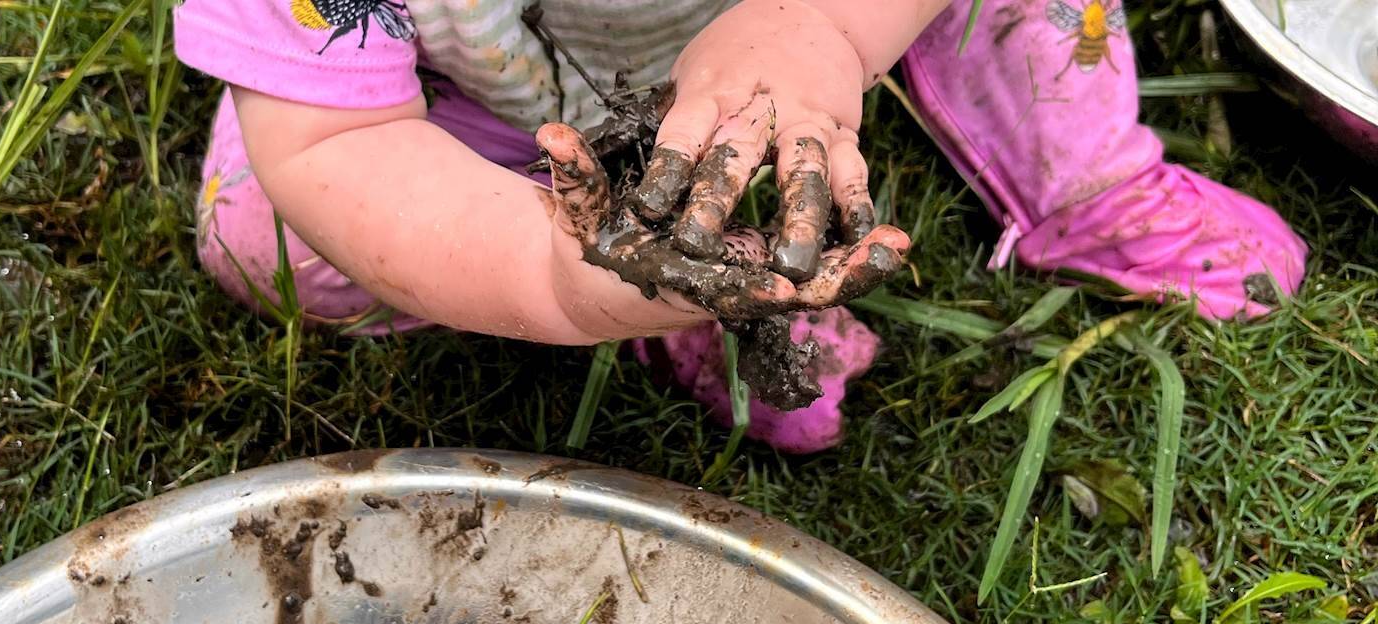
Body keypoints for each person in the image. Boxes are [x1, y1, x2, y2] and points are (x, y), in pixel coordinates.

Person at [175, 0, 1306, 453]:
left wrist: (814, 29)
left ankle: (1084, 179)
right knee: (264, 231)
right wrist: (552, 276)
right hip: (501, 92)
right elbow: (334, 148)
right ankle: (670, 282)